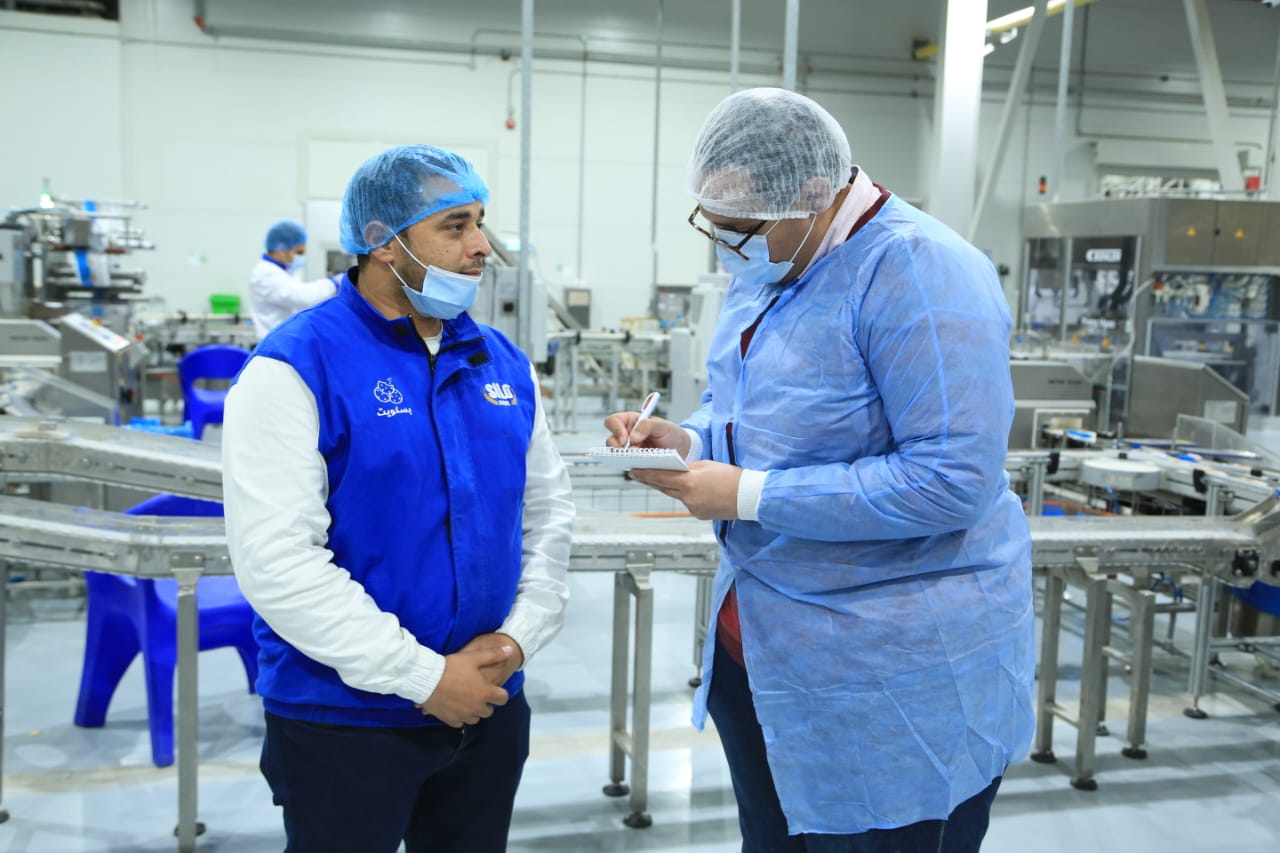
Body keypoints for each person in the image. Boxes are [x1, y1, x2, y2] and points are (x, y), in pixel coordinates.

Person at [605, 88, 1034, 851]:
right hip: (764, 652)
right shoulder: (773, 261)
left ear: (812, 193)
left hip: (890, 681)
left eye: (741, 228)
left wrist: (749, 493)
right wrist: (688, 442)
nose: (728, 245)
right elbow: (747, 405)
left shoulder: (922, 273)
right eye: (714, 223)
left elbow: (951, 480)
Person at [222, 145, 575, 853]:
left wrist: (517, 639)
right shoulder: (295, 366)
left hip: (489, 705)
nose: (482, 247)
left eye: (479, 223)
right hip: (345, 721)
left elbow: (547, 514)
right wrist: (424, 677)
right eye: (455, 225)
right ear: (383, 241)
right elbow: (277, 561)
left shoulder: (500, 361)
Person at [248, 220, 342, 339]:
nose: (301, 257)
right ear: (281, 249)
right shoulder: (265, 274)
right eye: (299, 252)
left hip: (284, 338)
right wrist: (333, 283)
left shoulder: (283, 272)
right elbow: (302, 297)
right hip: (275, 341)